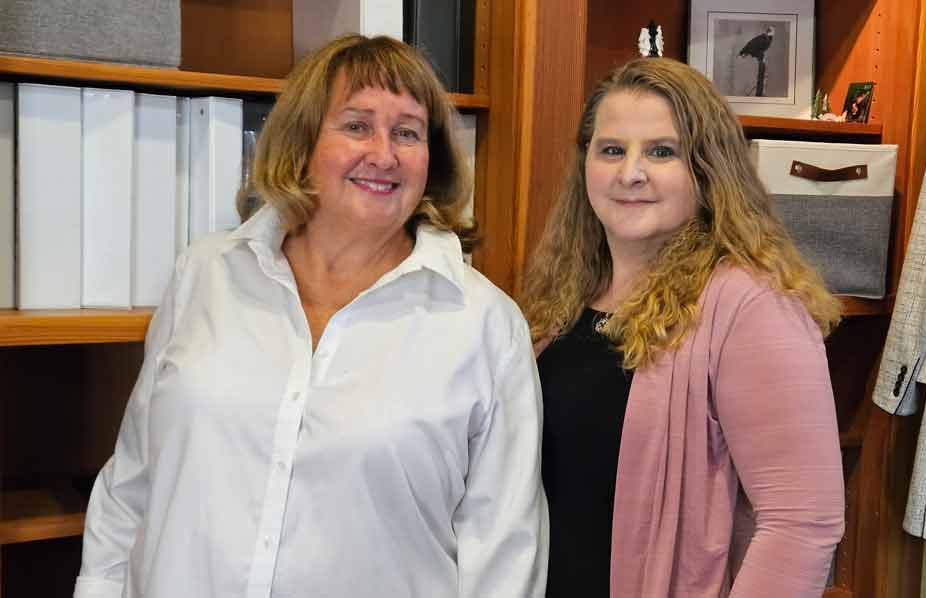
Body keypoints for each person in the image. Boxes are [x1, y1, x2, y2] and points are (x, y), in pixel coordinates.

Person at [74, 35, 547, 598]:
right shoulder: (206, 274)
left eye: (408, 132)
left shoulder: (485, 323)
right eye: (356, 125)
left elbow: (502, 555)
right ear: (302, 141)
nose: (384, 153)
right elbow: (131, 482)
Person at [520, 57, 845, 597]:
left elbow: (802, 523)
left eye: (662, 152)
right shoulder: (562, 295)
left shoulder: (750, 305)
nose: (630, 172)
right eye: (611, 149)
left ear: (707, 167)